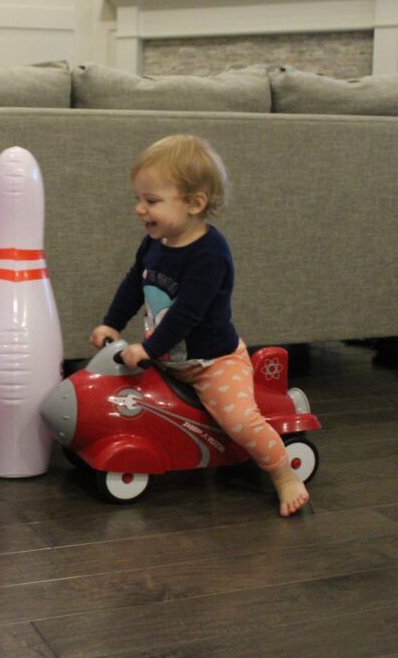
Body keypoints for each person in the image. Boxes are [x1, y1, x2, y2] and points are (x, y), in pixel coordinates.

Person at [90, 134, 310, 517]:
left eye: (152, 201)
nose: (139, 209)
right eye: (138, 199)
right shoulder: (155, 242)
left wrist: (148, 349)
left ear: (195, 203)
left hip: (213, 363)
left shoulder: (210, 255)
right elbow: (133, 284)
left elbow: (186, 314)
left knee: (239, 420)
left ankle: (283, 474)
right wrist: (112, 323)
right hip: (165, 356)